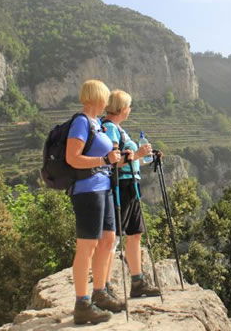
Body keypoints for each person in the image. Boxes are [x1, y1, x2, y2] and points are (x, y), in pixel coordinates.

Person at [65, 79, 131, 325]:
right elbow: (73, 158)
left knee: (107, 240)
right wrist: (104, 160)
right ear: (95, 97)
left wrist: (116, 159)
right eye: (104, 97)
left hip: (104, 188)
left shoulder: (96, 124)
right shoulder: (81, 122)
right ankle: (82, 304)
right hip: (87, 190)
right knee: (87, 246)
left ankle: (100, 292)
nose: (107, 102)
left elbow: (104, 158)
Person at [100, 90, 161, 298]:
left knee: (135, 234)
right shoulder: (109, 128)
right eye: (129, 106)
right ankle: (104, 286)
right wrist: (138, 154)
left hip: (131, 185)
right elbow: (113, 161)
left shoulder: (118, 129)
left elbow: (130, 159)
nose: (130, 109)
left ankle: (138, 282)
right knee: (113, 237)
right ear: (122, 108)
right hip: (120, 186)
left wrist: (148, 157)